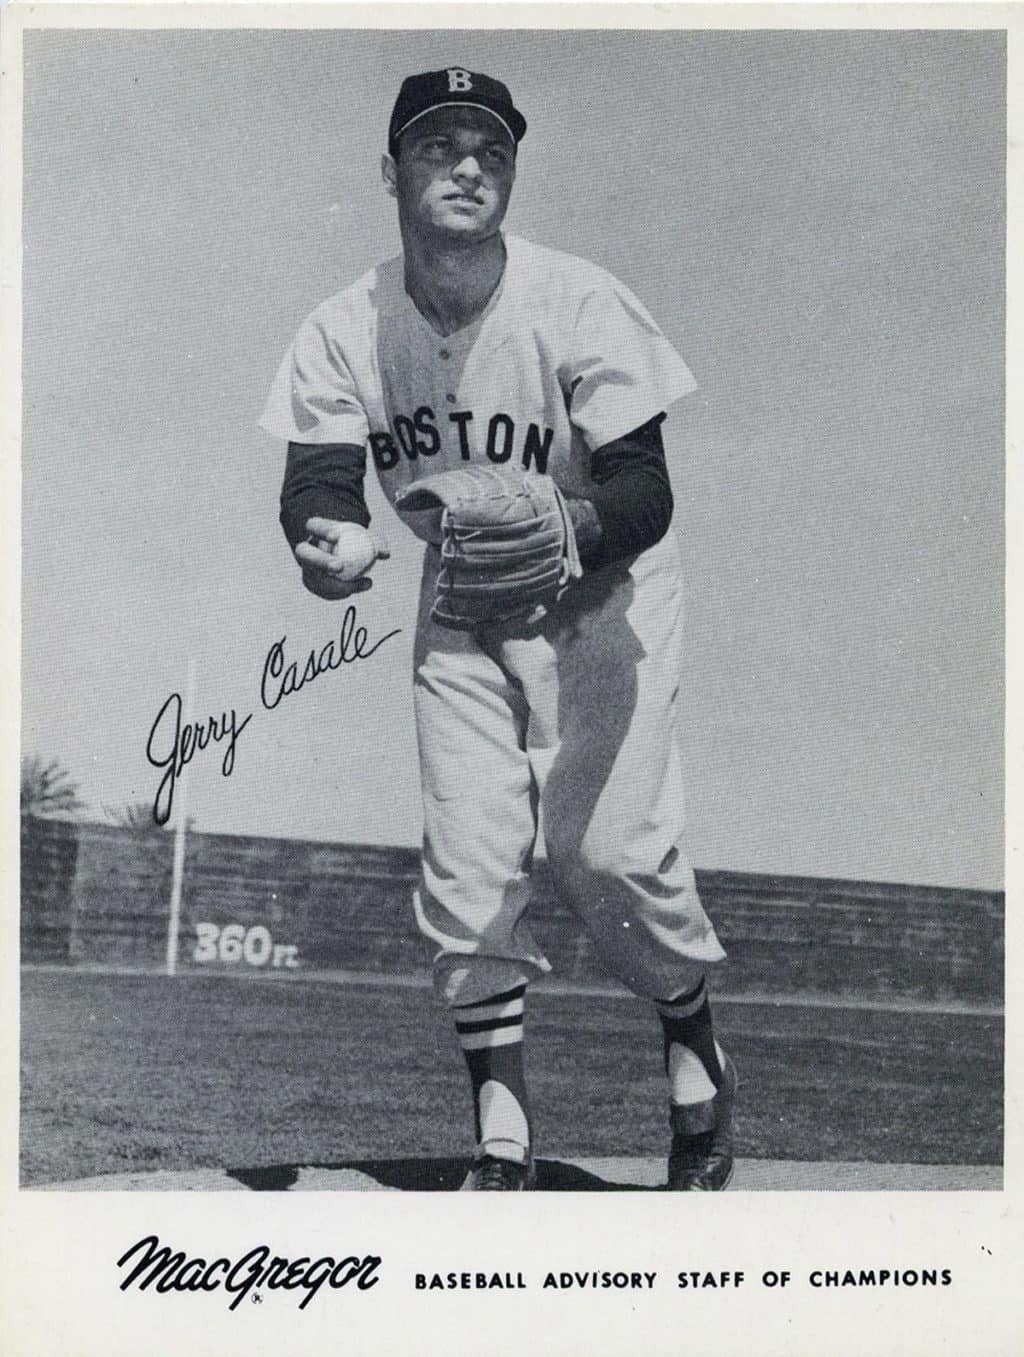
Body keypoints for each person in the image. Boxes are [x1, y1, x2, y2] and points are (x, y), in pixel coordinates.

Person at [261, 67, 736, 1191]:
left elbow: (644, 487)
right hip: (461, 590)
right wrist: (326, 539)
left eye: (490, 147)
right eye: (437, 145)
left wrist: (566, 527)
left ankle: (688, 1023)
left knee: (602, 854)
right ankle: (503, 1131)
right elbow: (319, 481)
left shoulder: (579, 302)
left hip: (605, 589)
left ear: (511, 172)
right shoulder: (344, 325)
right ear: (391, 171)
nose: (467, 163)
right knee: (469, 864)